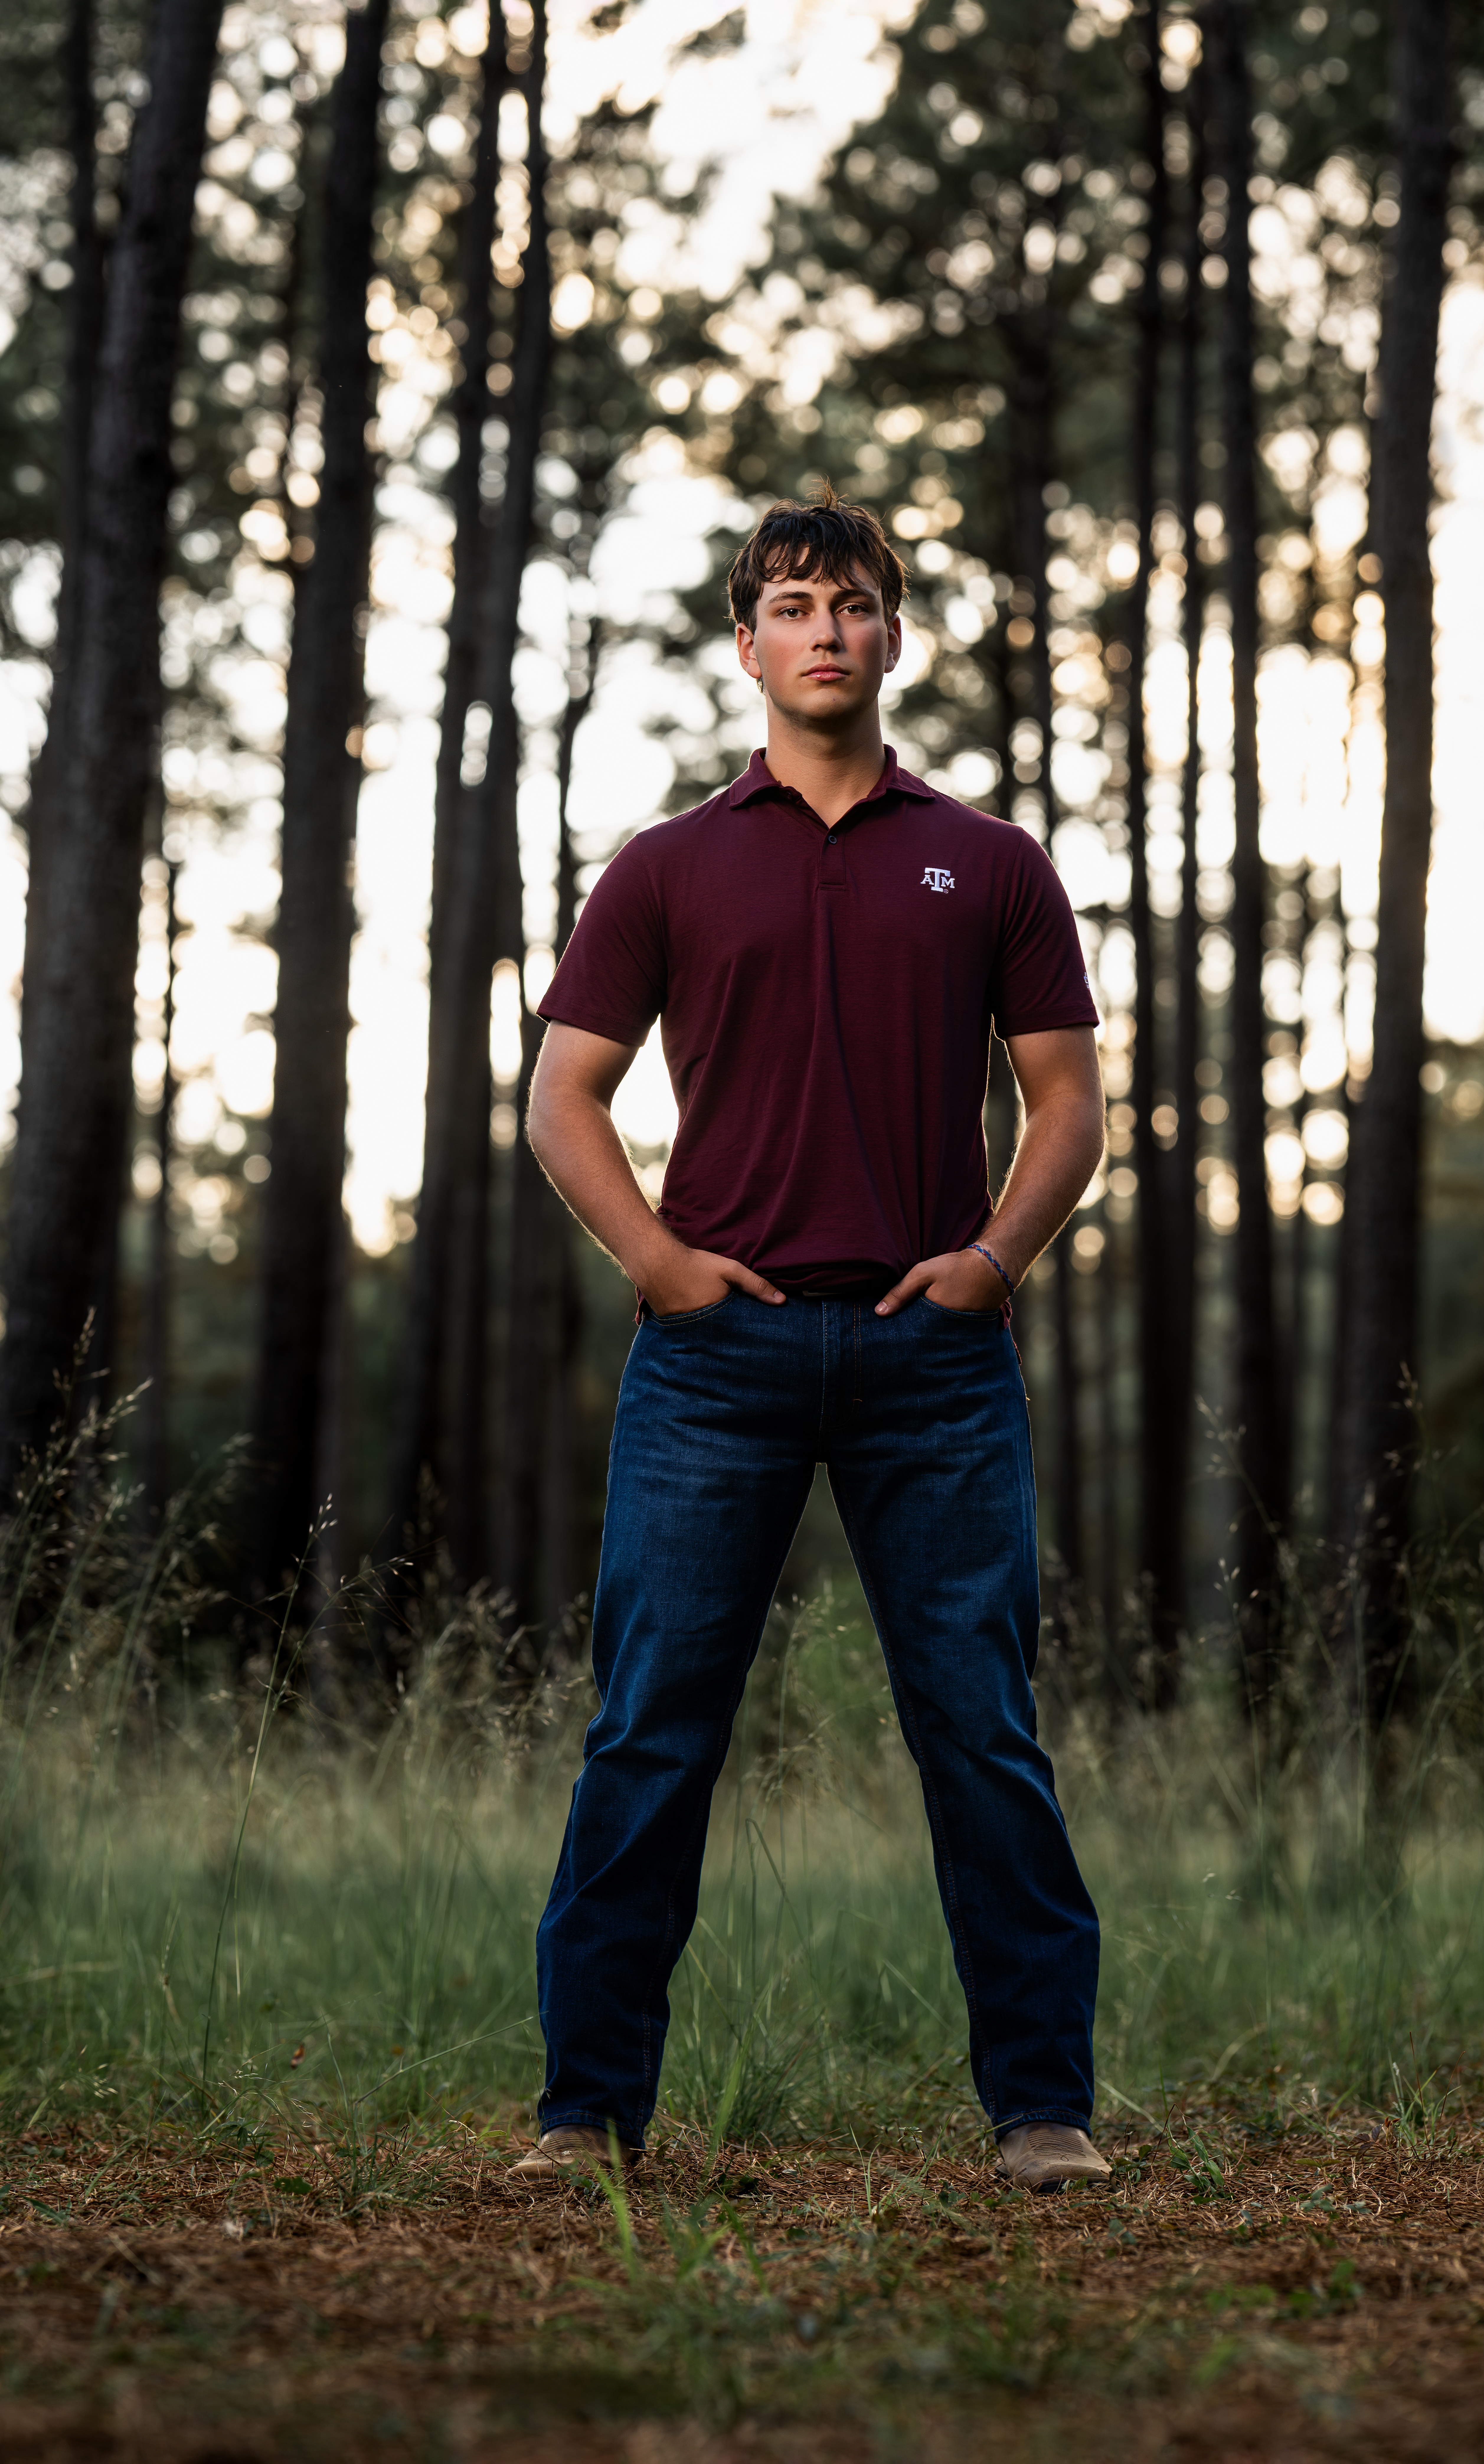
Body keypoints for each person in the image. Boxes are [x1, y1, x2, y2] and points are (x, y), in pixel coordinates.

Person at [508, 488, 1109, 2195]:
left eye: (853, 603)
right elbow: (563, 1096)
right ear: (749, 640)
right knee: (652, 1727)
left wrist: (997, 1257)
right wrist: (658, 1262)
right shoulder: (669, 867)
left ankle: (1043, 2109)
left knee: (981, 1729)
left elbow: (1067, 1106)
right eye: (793, 603)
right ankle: (587, 2112)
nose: (825, 630)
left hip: (937, 1362)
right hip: (718, 1362)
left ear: (893, 637)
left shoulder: (989, 861)